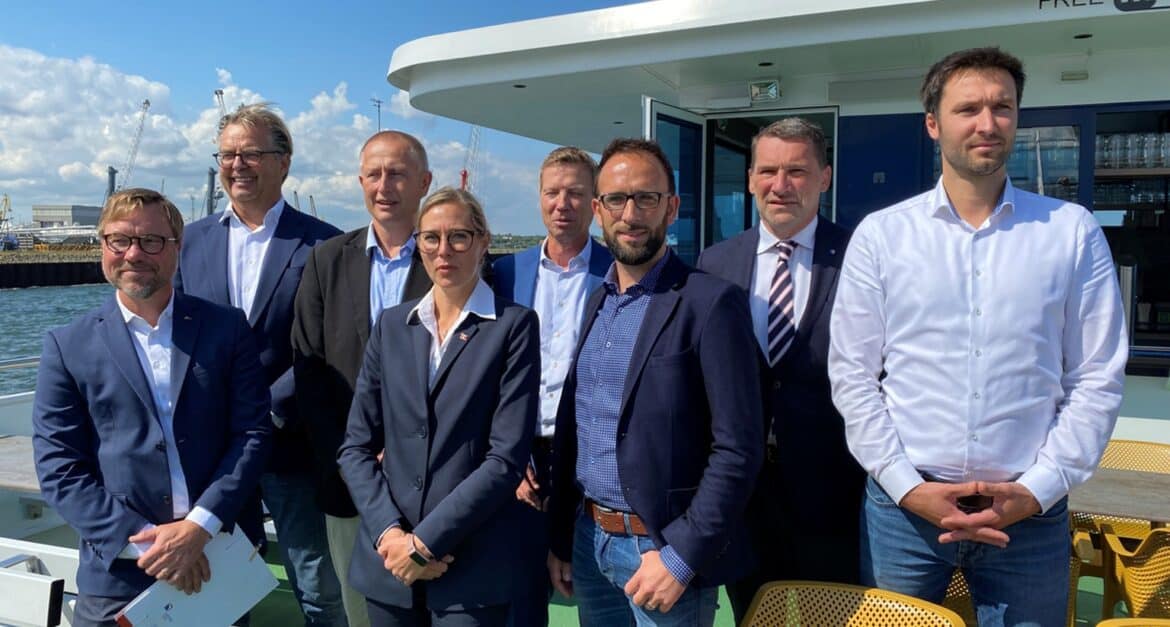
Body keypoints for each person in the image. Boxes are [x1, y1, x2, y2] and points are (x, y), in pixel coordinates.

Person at [829, 47, 1128, 626]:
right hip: (905, 513)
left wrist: (1038, 489)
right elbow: (853, 375)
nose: (987, 123)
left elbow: (1096, 376)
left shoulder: (1070, 232)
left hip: (1029, 516)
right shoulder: (882, 236)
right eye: (968, 109)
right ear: (933, 124)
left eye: (1002, 107)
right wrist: (906, 486)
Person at [545, 138, 764, 626]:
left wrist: (681, 557)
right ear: (598, 210)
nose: (631, 214)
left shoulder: (710, 303)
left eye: (646, 198)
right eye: (617, 200)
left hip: (660, 554)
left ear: (672, 207)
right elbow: (581, 429)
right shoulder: (598, 301)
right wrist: (562, 537)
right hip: (589, 543)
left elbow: (738, 448)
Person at [32, 188, 273, 627]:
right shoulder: (68, 346)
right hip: (118, 573)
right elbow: (59, 468)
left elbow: (252, 434)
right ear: (103, 246)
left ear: (177, 248)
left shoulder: (226, 328)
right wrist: (154, 547)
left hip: (216, 556)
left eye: (151, 241)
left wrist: (198, 529)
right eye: (120, 240)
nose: (134, 253)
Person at [338, 187, 540, 627]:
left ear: (483, 242)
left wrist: (423, 544)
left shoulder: (514, 327)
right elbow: (355, 447)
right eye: (431, 237)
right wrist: (391, 535)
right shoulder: (392, 325)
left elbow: (505, 459)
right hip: (389, 563)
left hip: (471, 563)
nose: (443, 250)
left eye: (459, 237)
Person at [175, 103, 345, 625]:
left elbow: (329, 341)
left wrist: (265, 409)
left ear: (283, 162)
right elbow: (176, 333)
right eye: (227, 154)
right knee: (222, 585)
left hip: (291, 442)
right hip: (213, 451)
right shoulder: (189, 241)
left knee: (317, 585)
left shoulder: (325, 243)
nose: (236, 165)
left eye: (250, 153)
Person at [697, 117, 865, 622]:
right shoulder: (714, 263)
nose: (780, 185)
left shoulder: (861, 258)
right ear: (750, 179)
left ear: (825, 177)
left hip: (833, 496)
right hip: (745, 501)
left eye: (797, 171)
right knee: (753, 616)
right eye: (768, 171)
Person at [293, 130, 435, 627]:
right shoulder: (326, 260)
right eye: (373, 174)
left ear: (424, 183)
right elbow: (310, 372)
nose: (384, 186)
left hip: (432, 482)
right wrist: (352, 459)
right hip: (349, 483)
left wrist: (406, 453)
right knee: (362, 615)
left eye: (397, 173)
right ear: (360, 182)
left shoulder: (449, 258)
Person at [490, 146, 612, 627]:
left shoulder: (616, 272)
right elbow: (489, 372)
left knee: (593, 595)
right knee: (520, 600)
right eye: (552, 192)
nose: (563, 204)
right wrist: (509, 456)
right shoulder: (504, 273)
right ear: (539, 198)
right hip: (519, 455)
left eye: (576, 193)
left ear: (595, 202)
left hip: (589, 456)